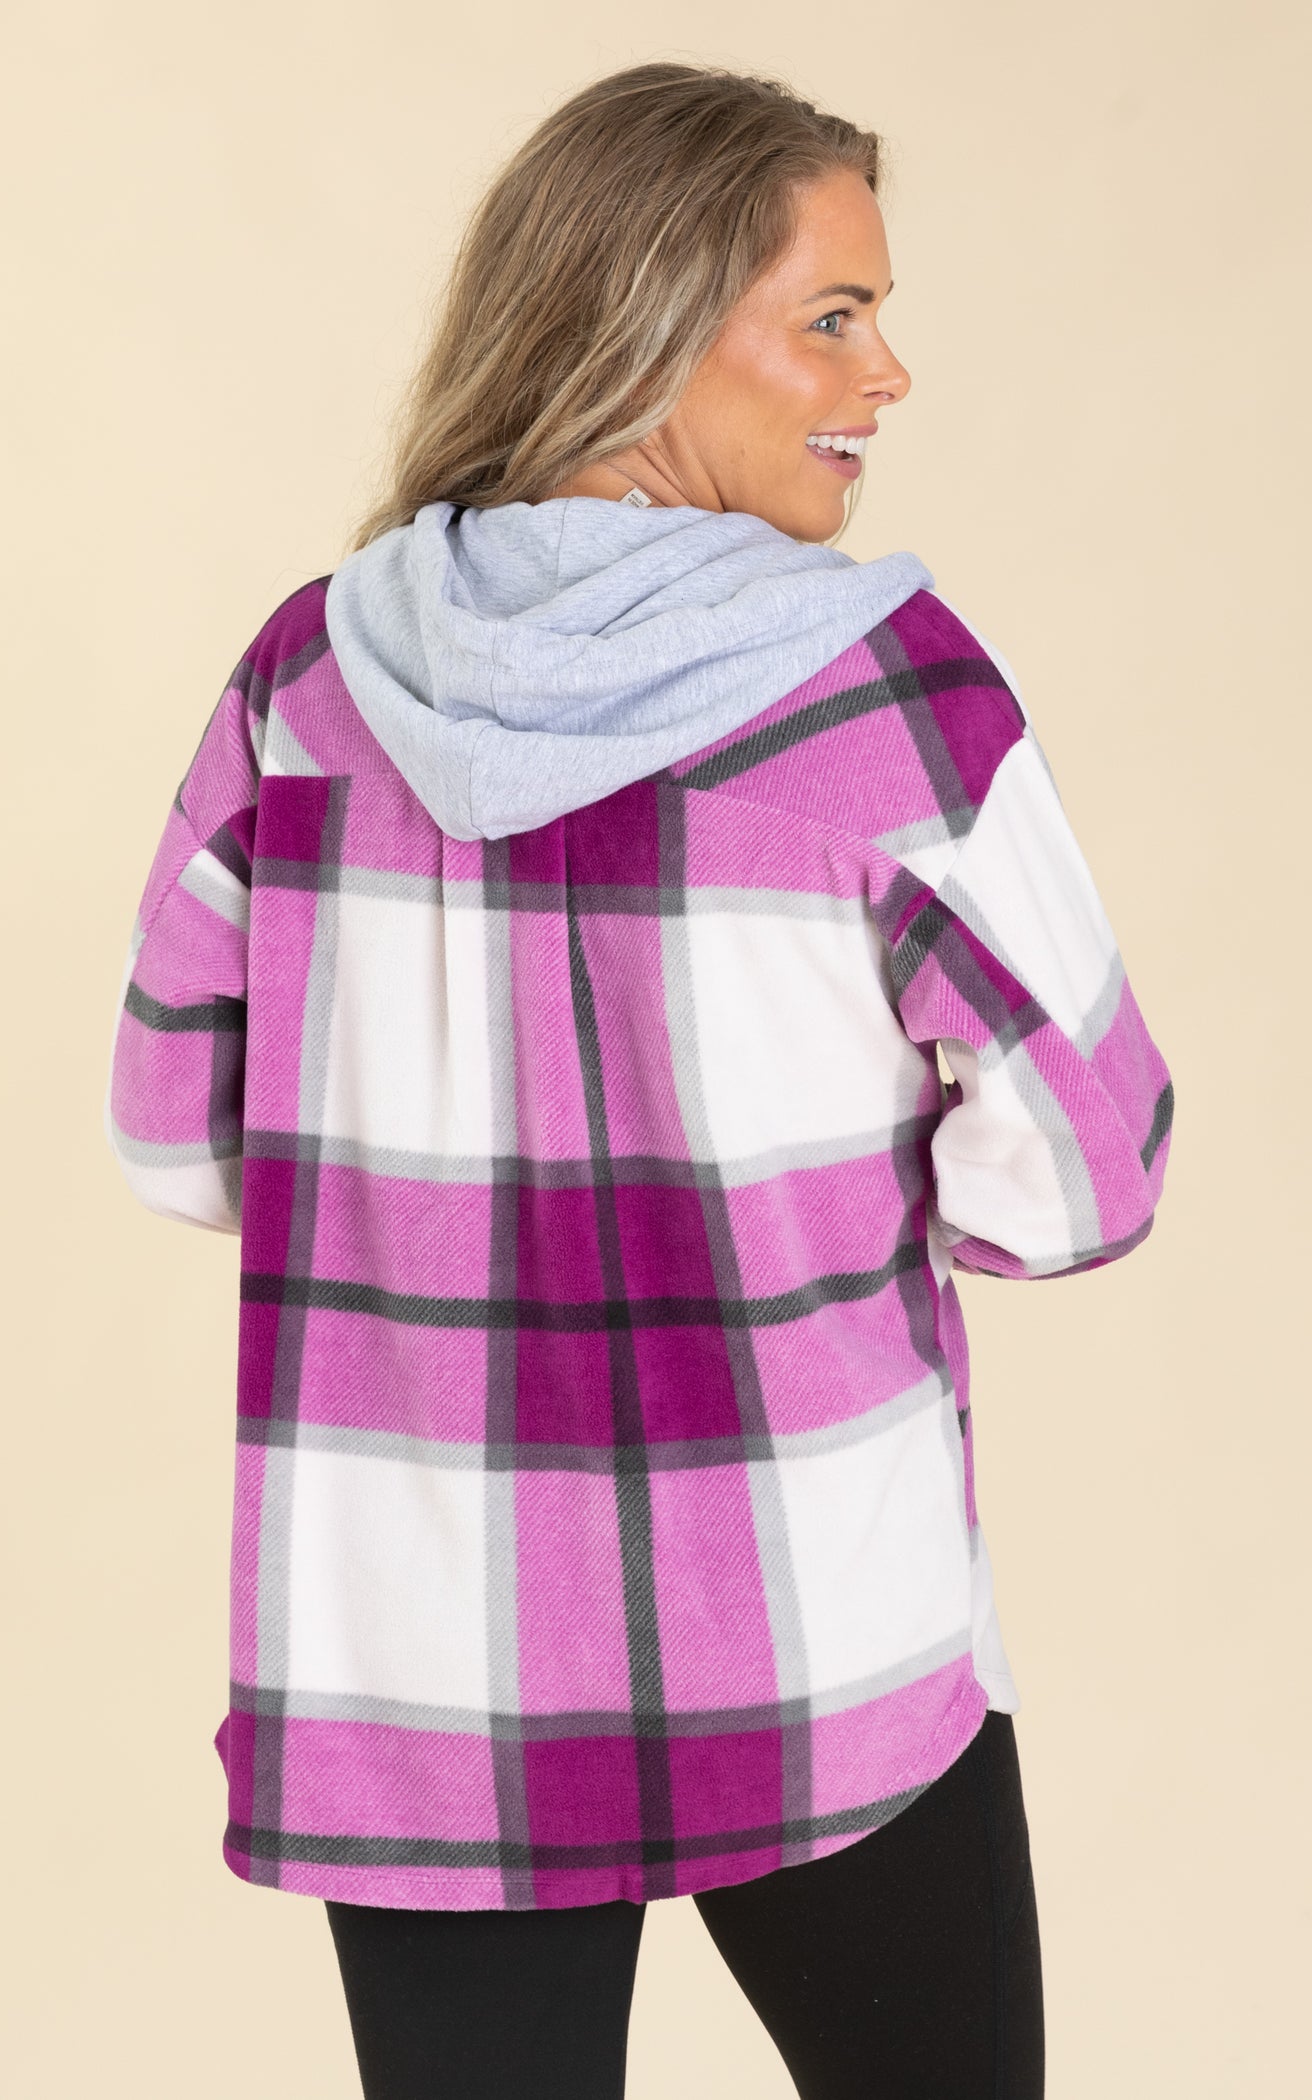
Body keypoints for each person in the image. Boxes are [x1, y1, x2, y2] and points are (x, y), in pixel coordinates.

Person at [103, 59, 1174, 2100]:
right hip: (818, 1626)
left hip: (418, 1663)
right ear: (648, 322)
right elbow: (1083, 1172)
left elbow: (174, 1131)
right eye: (834, 317)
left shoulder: (307, 680)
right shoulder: (884, 691)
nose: (888, 374)